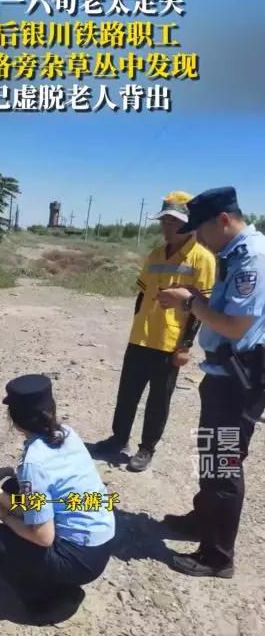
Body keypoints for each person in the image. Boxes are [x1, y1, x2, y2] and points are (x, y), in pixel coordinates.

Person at [157, 187, 265, 578]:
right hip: (222, 375)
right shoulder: (232, 254)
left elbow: (236, 326)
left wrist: (189, 303)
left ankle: (218, 557)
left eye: (201, 230)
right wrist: (197, 298)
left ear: (223, 220)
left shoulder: (253, 257)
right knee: (211, 457)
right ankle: (203, 519)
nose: (198, 239)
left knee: (224, 465)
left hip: (239, 380)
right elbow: (223, 309)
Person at [0, 374, 115, 614]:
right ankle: (55, 577)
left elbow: (43, 538)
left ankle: (45, 596)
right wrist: (6, 495)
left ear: (15, 421)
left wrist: (3, 513)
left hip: (77, 559)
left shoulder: (34, 464)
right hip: (100, 543)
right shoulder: (67, 433)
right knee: (13, 486)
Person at [94, 191, 216, 472]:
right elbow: (142, 294)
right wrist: (137, 324)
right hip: (141, 336)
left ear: (189, 223)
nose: (166, 227)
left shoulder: (202, 259)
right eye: (164, 221)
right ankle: (119, 438)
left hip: (170, 342)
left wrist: (185, 346)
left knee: (158, 400)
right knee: (127, 393)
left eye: (173, 221)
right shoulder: (156, 254)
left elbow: (200, 307)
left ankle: (147, 447)